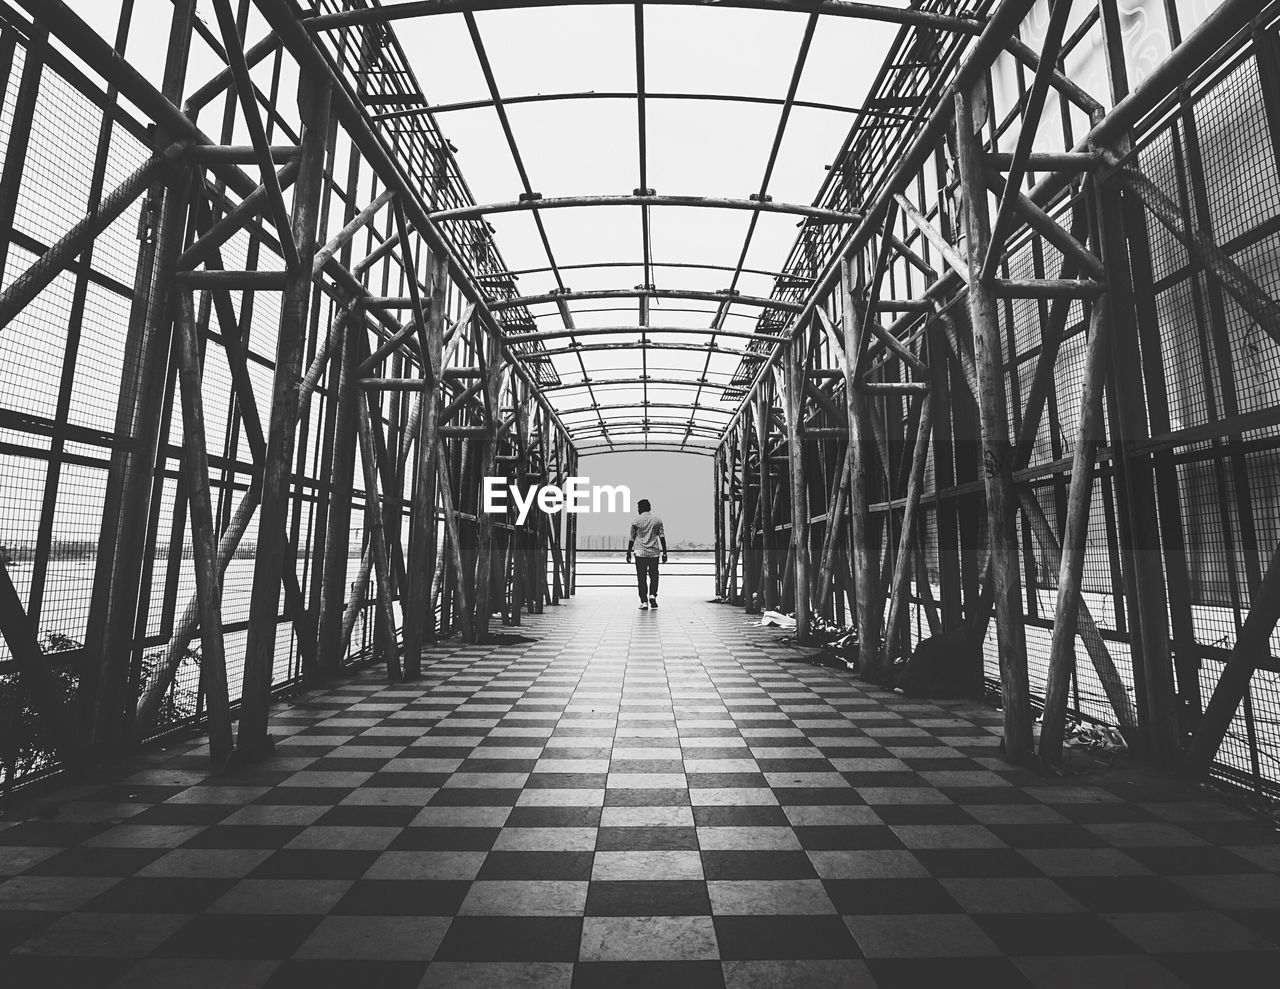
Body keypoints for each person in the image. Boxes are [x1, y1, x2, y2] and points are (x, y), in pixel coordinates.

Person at [625, 498, 667, 610]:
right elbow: (662, 537)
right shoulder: (657, 520)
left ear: (642, 508)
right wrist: (665, 553)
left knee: (641, 578)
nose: (638, 510)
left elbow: (631, 538)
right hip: (654, 553)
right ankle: (652, 595)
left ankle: (644, 602)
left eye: (638, 507)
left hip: (640, 553)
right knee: (654, 576)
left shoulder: (635, 521)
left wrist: (628, 552)